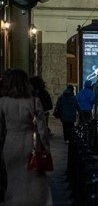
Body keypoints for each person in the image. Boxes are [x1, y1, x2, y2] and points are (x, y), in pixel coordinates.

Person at [0, 68, 52, 206]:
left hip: (10, 144)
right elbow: (42, 129)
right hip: (31, 144)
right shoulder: (34, 102)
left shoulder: (2, 103)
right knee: (33, 181)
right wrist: (46, 148)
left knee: (13, 181)